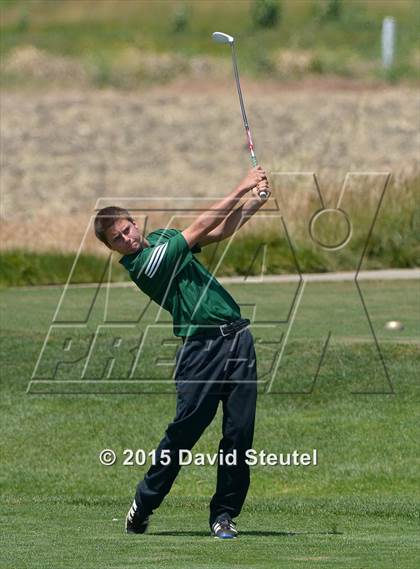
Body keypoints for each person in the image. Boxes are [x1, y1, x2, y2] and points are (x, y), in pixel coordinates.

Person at [94, 166, 271, 539]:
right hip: (200, 349)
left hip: (238, 339)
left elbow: (218, 229)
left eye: (128, 228)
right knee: (183, 435)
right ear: (113, 249)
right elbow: (201, 222)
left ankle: (223, 515)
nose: (128, 238)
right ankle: (144, 503)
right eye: (118, 238)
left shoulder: (161, 238)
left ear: (134, 223)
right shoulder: (144, 265)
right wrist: (240, 186)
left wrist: (254, 202)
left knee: (239, 434)